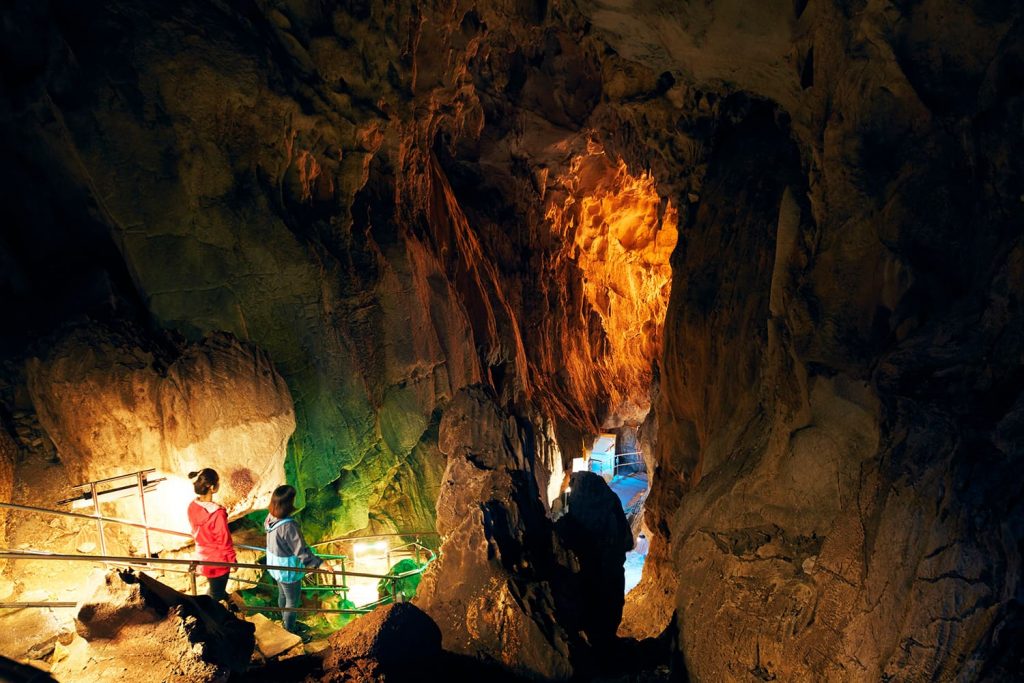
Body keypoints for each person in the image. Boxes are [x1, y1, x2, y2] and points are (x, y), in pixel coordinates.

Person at [265, 484, 321, 633]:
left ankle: (285, 621)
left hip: (276, 566)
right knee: (292, 601)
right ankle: (290, 629)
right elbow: (301, 551)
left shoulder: (270, 517)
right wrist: (320, 563)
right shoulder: (289, 526)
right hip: (287, 569)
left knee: (283, 594)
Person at [186, 468, 236, 601]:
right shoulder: (217, 513)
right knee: (216, 595)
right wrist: (232, 561)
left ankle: (222, 602)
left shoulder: (192, 506)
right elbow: (224, 540)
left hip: (203, 557)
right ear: (212, 487)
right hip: (218, 561)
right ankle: (208, 612)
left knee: (215, 588)